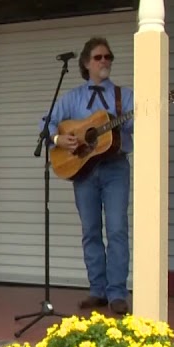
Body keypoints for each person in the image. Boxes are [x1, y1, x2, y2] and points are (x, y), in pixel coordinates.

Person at [45, 37, 134, 315]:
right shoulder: (72, 98)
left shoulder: (124, 96)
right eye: (98, 57)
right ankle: (97, 290)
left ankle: (117, 292)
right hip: (83, 170)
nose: (105, 61)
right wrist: (59, 139)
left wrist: (142, 115)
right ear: (86, 63)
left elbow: (134, 122)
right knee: (90, 231)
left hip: (115, 168)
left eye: (108, 56)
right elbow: (45, 122)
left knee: (117, 229)